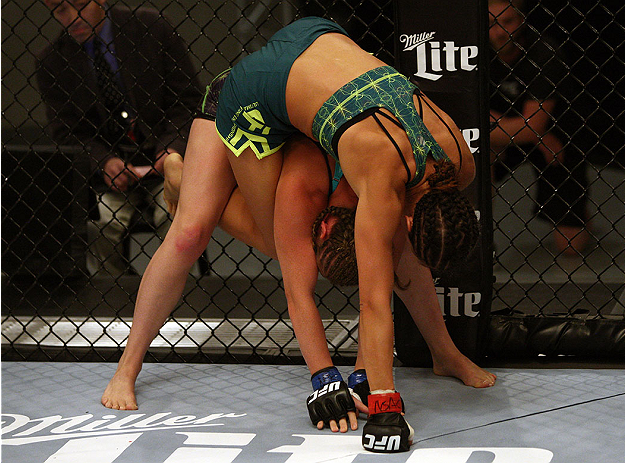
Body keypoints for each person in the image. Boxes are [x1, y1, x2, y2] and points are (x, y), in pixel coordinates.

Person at [103, 17, 480, 453]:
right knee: (205, 232)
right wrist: (341, 384)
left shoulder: (456, 164)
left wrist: (361, 371)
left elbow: (384, 271)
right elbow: (368, 299)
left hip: (315, 43)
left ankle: (443, 353)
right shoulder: (337, 188)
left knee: (374, 243)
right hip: (250, 97)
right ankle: (126, 367)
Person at [36, 0, 202, 276]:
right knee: (100, 224)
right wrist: (103, 161)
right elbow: (66, 133)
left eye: (80, 5)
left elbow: (187, 101)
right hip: (110, 173)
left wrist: (171, 149)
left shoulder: (152, 28)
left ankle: (179, 293)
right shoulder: (52, 62)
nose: (73, 17)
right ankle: (113, 298)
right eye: (60, 10)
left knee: (175, 215)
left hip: (166, 156)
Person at [488, 0, 590, 256]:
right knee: (472, 156)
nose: (500, 31)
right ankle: (479, 234)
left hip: (555, 139)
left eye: (508, 21)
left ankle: (580, 211)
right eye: (491, 23)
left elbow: (532, 126)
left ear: (522, 19)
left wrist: (533, 132)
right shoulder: (472, 53)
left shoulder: (544, 52)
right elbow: (462, 116)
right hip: (506, 139)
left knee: (570, 247)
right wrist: (530, 132)